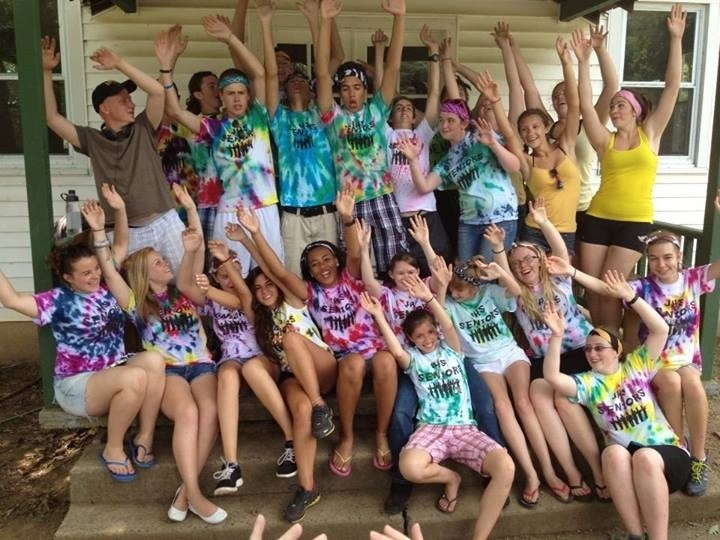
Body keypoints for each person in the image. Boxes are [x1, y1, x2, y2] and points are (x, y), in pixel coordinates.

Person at [87, 195, 225, 524]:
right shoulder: (135, 301)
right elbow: (109, 271)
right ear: (143, 272)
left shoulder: (183, 289)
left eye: (163, 259)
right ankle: (196, 494)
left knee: (210, 411)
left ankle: (185, 493)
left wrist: (190, 210)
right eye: (158, 262)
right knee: (188, 413)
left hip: (201, 365)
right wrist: (99, 231)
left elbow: (196, 251)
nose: (166, 263)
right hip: (169, 372)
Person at [361, 276, 514, 540]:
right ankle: (451, 478)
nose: (427, 339)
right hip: (431, 428)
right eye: (419, 336)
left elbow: (449, 326)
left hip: (464, 428)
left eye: (431, 332)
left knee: (506, 467)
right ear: (412, 339)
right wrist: (378, 315)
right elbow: (396, 351)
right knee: (409, 466)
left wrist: (429, 298)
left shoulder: (453, 350)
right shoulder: (413, 360)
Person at [0, 239, 164, 483]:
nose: (95, 275)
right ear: (68, 277)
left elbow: (120, 246)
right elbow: (11, 300)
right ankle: (113, 448)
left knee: (154, 360)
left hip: (112, 372)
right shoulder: (58, 300)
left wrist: (105, 222)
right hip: (77, 385)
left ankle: (145, 436)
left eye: (96, 268)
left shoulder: (105, 289)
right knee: (135, 376)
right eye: (86, 273)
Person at [542, 271, 687, 540]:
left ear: (617, 350)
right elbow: (551, 377)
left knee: (645, 457)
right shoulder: (588, 383)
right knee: (612, 454)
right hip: (627, 465)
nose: (592, 353)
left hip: (667, 456)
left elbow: (660, 329)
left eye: (599, 347)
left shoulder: (636, 365)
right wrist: (557, 335)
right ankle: (635, 535)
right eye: (588, 349)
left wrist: (631, 297)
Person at [570, 4, 686, 330]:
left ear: (635, 111)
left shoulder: (651, 134)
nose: (614, 110)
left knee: (612, 288)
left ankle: (614, 344)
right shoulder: (603, 140)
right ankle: (603, 347)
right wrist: (584, 61)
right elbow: (585, 103)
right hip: (597, 218)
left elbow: (673, 87)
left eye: (620, 105)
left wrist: (676, 39)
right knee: (594, 290)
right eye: (612, 106)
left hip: (634, 221)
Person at [380, 218, 504, 514]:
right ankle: (401, 480)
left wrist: (425, 242)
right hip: (416, 364)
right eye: (401, 272)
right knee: (400, 413)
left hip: (450, 355)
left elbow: (439, 277)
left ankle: (493, 474)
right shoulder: (389, 295)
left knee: (486, 405)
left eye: (412, 271)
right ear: (392, 275)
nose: (407, 276)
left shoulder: (427, 286)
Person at [226, 215, 339, 523]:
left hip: (322, 366)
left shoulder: (293, 300)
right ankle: (307, 488)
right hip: (294, 377)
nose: (264, 290)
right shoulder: (261, 319)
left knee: (290, 338)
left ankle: (320, 406)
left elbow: (274, 268)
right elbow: (244, 294)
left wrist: (252, 235)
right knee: (301, 411)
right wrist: (229, 256)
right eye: (258, 288)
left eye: (268, 285)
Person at [41, 36, 185, 272]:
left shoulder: (144, 127)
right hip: (122, 233)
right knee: (131, 291)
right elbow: (52, 118)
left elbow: (158, 92)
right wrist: (47, 72)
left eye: (130, 99)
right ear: (104, 108)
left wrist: (119, 63)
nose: (131, 104)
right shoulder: (91, 139)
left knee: (184, 282)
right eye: (123, 100)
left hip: (164, 222)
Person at [157, 16, 283, 276]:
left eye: (241, 93)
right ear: (222, 97)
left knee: (271, 275)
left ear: (248, 95)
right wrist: (166, 68)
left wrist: (230, 38)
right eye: (230, 93)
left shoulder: (259, 116)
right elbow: (177, 112)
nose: (236, 98)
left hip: (264, 207)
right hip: (230, 211)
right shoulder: (213, 127)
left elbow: (261, 74)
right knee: (229, 275)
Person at [177, 236, 297, 495]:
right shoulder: (212, 302)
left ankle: (292, 441)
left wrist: (217, 275)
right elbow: (184, 285)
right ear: (216, 278)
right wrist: (191, 251)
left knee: (252, 367)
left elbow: (241, 298)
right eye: (224, 275)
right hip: (232, 361)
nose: (230, 279)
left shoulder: (252, 292)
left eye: (234, 270)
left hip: (263, 360)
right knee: (227, 375)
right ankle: (231, 464)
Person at [505, 199, 606, 501]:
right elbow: (503, 269)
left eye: (528, 258)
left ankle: (597, 472)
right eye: (516, 263)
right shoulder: (516, 295)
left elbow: (560, 251)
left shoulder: (559, 278)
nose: (523, 265)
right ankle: (571, 472)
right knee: (538, 394)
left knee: (563, 399)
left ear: (540, 260)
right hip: (547, 359)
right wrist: (499, 249)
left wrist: (543, 222)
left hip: (579, 351)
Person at [398, 36, 520, 262]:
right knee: (465, 273)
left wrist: (493, 144)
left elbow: (514, 166)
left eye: (450, 121)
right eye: (442, 120)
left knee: (487, 274)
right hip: (469, 223)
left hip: (499, 218)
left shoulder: (481, 137)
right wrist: (413, 160)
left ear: (464, 123)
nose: (444, 125)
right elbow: (424, 187)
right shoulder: (448, 160)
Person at [503, 20, 618, 247]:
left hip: (583, 208)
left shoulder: (590, 122)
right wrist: (512, 46)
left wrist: (596, 51)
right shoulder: (546, 129)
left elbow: (611, 86)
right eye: (555, 96)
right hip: (545, 213)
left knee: (573, 263)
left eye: (565, 92)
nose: (560, 97)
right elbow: (529, 87)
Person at [316, 0, 410, 277]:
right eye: (345, 88)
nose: (351, 93)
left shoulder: (377, 110)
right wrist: (325, 22)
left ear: (365, 89)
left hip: (382, 196)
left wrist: (400, 17)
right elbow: (321, 73)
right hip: (350, 202)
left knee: (395, 262)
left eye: (357, 87)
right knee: (356, 266)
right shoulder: (333, 117)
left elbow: (392, 69)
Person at [473, 40, 582, 254]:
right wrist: (495, 102)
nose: (530, 133)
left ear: (546, 127)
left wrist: (567, 63)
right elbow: (509, 135)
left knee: (562, 276)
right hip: (535, 231)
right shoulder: (527, 162)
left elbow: (575, 106)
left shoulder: (566, 146)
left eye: (535, 127)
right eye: (524, 129)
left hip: (566, 232)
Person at [258, 0, 342, 275]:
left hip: (326, 211)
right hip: (293, 214)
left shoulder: (323, 115)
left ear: (311, 90)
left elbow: (323, 71)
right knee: (295, 274)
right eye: (291, 80)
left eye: (302, 80)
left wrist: (317, 21)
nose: (296, 82)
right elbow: (271, 75)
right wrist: (266, 23)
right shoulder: (278, 118)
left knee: (330, 276)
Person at [383, 25, 451, 275]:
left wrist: (433, 53)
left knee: (437, 269)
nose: (404, 110)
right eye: (398, 107)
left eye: (409, 108)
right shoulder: (386, 134)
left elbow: (433, 94)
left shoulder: (422, 134)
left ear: (414, 117)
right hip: (398, 216)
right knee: (403, 275)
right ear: (390, 117)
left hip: (427, 214)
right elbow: (383, 90)